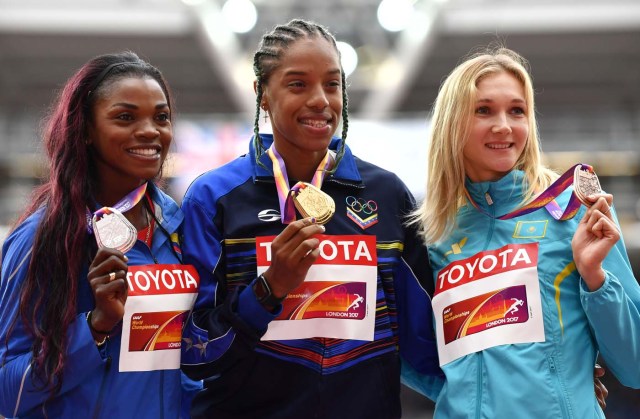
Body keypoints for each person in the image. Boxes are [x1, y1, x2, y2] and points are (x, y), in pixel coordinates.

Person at [179, 19, 440, 418]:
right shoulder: (214, 198)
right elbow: (193, 350)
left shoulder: (386, 196)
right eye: (298, 84)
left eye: (332, 84)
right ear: (262, 94)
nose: (320, 100)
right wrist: (268, 290)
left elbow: (429, 337)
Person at [405, 46, 640, 418]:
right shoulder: (435, 234)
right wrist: (464, 398)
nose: (504, 125)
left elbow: (635, 363)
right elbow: (417, 354)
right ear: (452, 123)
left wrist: (595, 278)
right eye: (483, 110)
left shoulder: (573, 212)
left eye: (517, 110)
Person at [0, 51, 201, 418]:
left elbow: (181, 362)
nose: (150, 131)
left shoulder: (180, 229)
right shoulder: (41, 240)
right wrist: (96, 326)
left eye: (161, 117)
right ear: (87, 130)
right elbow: (6, 391)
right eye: (125, 117)